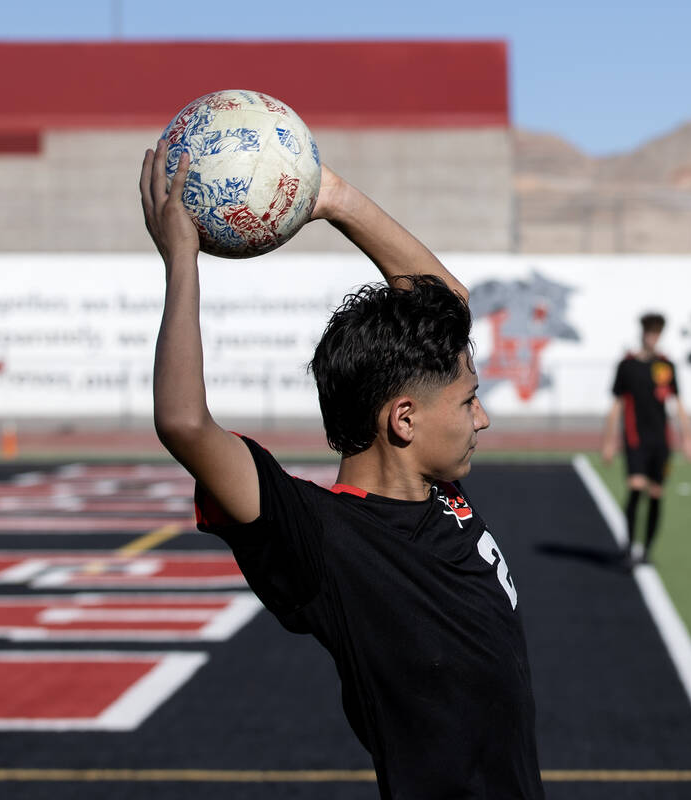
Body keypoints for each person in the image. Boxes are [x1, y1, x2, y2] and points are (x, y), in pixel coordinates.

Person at [139, 140, 544, 798]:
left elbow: (447, 306)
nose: (483, 419)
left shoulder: (438, 490)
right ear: (404, 421)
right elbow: (185, 424)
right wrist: (181, 259)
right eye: (470, 401)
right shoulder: (320, 538)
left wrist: (333, 199)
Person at [601, 313, 691, 564]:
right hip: (635, 439)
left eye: (657, 333)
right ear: (642, 333)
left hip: (661, 441)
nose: (653, 338)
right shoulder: (628, 365)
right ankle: (630, 546)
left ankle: (647, 550)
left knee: (656, 492)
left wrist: (688, 438)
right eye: (649, 332)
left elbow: (677, 403)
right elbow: (617, 405)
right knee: (635, 487)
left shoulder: (666, 366)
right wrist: (609, 441)